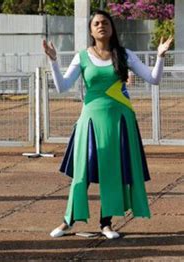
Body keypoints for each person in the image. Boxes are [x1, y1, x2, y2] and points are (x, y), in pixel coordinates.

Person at [43, 10, 173, 239]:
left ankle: (106, 224)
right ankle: (68, 221)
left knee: (113, 173)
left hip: (119, 123)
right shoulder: (82, 56)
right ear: (91, 30)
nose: (101, 26)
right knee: (81, 174)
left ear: (112, 28)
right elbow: (62, 86)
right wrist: (54, 61)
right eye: (96, 23)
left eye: (105, 22)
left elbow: (154, 79)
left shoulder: (124, 55)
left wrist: (160, 56)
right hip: (90, 122)